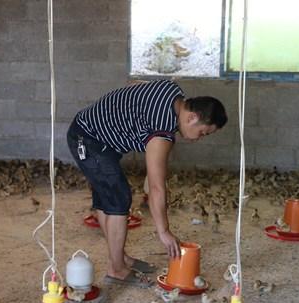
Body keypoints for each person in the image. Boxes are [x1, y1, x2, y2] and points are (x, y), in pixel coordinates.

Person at [67, 79, 228, 287]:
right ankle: (116, 269)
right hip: (87, 138)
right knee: (118, 197)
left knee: (108, 197)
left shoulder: (172, 89)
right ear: (192, 117)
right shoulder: (162, 132)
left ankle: (120, 258)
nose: (200, 138)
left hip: (94, 134)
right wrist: (164, 231)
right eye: (203, 132)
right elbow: (156, 188)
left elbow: (134, 83)